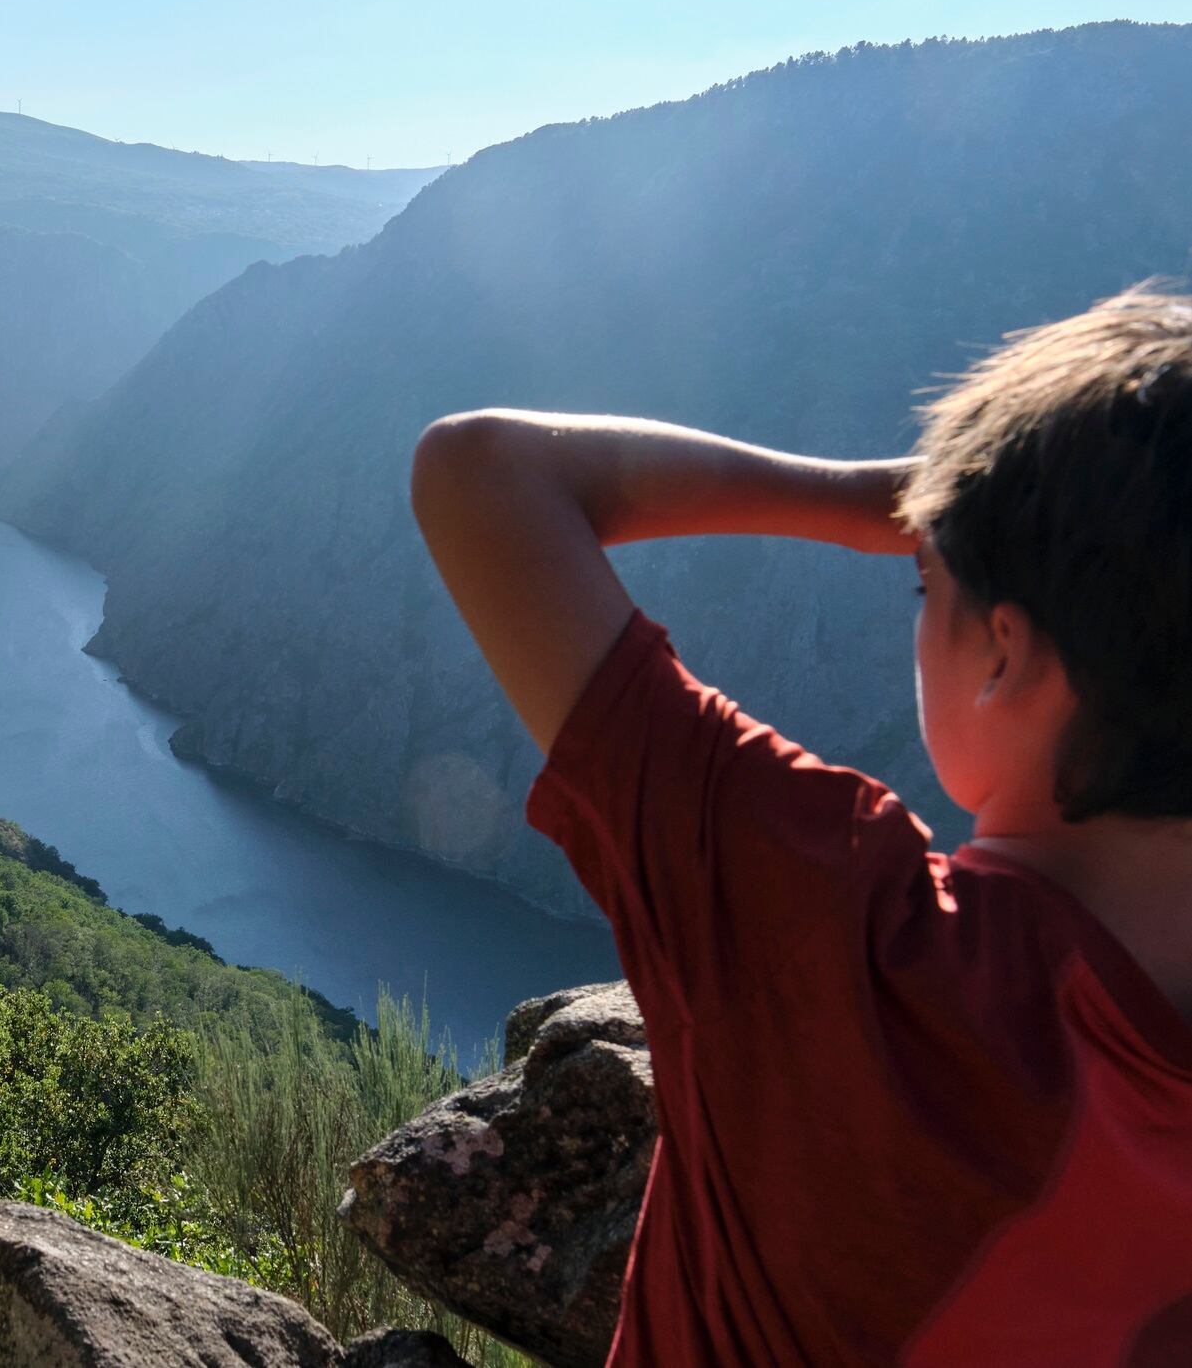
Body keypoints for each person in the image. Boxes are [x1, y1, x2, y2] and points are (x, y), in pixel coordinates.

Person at [409, 287, 1192, 1366]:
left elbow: (480, 471)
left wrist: (871, 498)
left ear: (1003, 654)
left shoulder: (841, 930)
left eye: (927, 586)